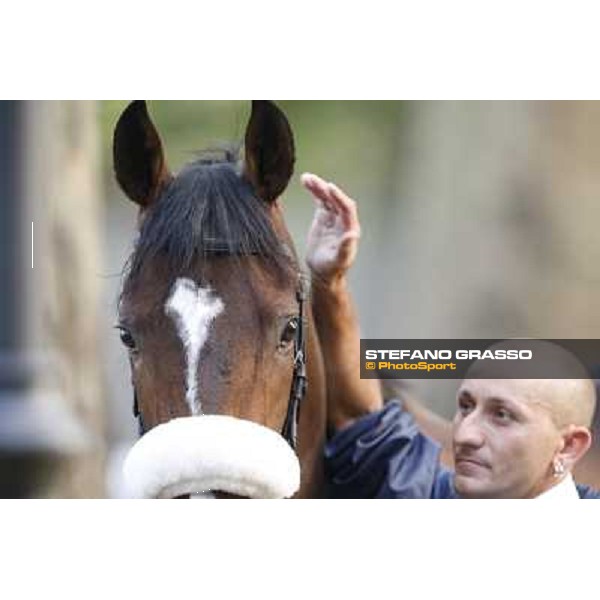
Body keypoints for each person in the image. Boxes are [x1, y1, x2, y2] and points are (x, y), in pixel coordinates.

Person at [301, 172, 600, 499]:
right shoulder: (426, 497)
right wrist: (329, 281)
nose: (465, 435)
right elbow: (360, 420)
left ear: (569, 446)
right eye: (466, 406)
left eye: (502, 415)